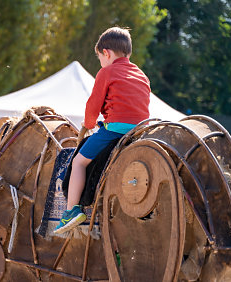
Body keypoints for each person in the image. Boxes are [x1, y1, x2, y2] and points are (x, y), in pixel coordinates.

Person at [54, 27, 150, 234]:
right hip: (140, 132)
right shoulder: (141, 75)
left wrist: (88, 124)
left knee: (79, 161)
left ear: (106, 53)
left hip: (115, 131)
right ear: (128, 53)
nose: (101, 62)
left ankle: (71, 210)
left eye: (100, 58)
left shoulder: (106, 72)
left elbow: (93, 105)